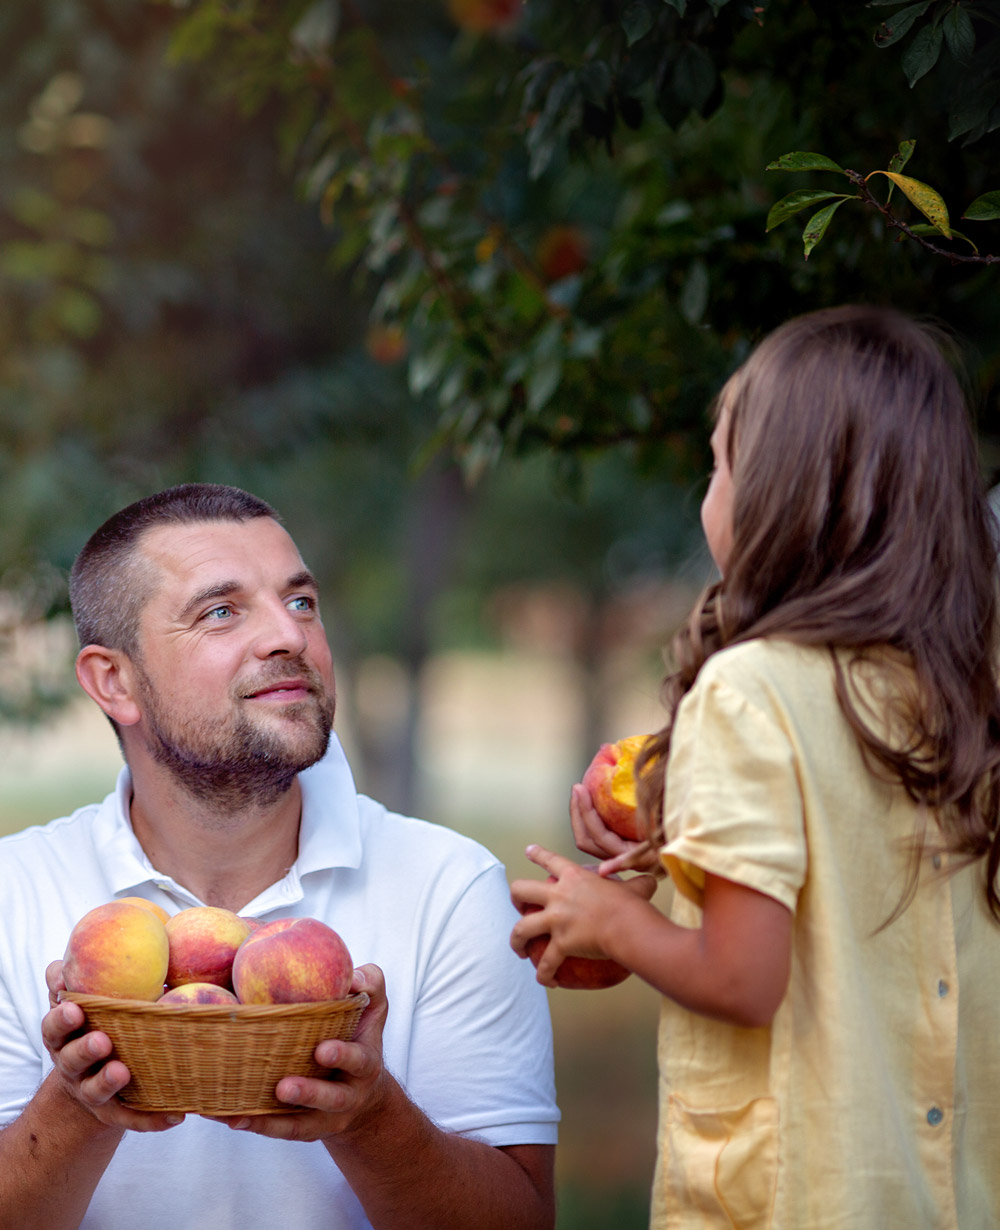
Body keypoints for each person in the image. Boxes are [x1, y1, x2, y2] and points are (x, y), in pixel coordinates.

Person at [510, 304, 1000, 1229]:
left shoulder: (749, 691)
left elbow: (742, 979)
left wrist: (611, 919)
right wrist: (674, 841)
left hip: (796, 1197)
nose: (709, 492)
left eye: (719, 463)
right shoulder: (962, 691)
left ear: (779, 496)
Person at [0, 483, 559, 1230]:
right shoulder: (12, 894)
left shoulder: (450, 888)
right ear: (114, 681)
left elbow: (520, 1218)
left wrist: (370, 1118)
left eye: (300, 602)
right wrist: (78, 1106)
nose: (289, 637)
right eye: (222, 612)